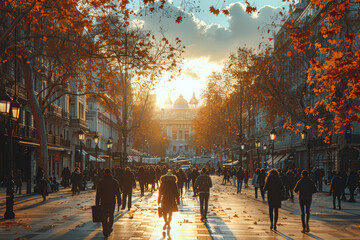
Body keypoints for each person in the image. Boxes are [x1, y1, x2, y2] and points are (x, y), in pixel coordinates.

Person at [96, 168, 121, 238]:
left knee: (104, 216)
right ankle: (109, 228)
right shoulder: (115, 182)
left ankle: (105, 231)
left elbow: (98, 194)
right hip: (112, 201)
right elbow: (118, 193)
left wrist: (97, 203)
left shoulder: (101, 182)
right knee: (111, 215)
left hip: (103, 201)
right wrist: (119, 201)